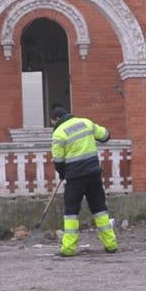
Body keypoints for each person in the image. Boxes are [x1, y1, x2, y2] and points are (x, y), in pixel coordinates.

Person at [49, 105, 118, 257]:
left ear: (56, 120)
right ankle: (111, 244)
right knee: (99, 208)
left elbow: (58, 161)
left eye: (52, 123)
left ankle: (68, 249)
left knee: (71, 212)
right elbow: (106, 135)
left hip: (75, 179)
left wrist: (62, 174)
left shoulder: (59, 134)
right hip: (93, 175)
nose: (53, 126)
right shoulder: (86, 122)